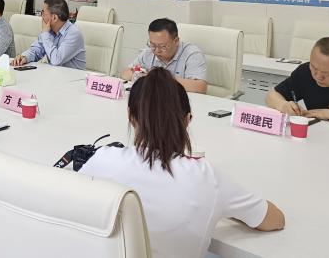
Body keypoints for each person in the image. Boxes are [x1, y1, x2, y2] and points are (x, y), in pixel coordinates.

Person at [80, 68, 285, 258]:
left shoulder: (102, 160)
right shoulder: (207, 178)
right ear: (187, 120)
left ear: (130, 117)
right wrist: (225, 205)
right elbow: (275, 220)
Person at [121, 18, 207, 94]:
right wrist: (142, 76)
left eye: (163, 46)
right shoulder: (148, 53)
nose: (157, 51)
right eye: (153, 45)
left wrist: (161, 78)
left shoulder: (192, 54)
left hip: (179, 102)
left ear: (176, 41)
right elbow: (125, 74)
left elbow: (200, 87)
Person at [11, 0, 85, 69]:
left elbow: (56, 60)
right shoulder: (49, 30)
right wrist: (25, 57)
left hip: (72, 76)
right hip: (55, 74)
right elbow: (37, 50)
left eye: (43, 12)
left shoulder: (73, 34)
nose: (41, 16)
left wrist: (45, 34)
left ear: (54, 18)